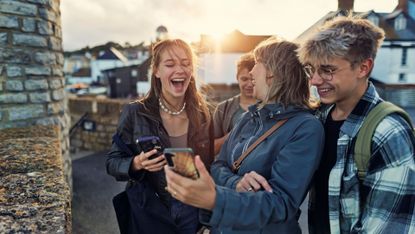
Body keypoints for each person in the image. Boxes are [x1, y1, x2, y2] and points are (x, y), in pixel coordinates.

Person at [164, 37, 325, 233]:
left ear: (273, 73)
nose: (251, 71)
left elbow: (281, 204)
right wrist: (236, 182)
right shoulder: (250, 117)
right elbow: (218, 165)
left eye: (257, 63)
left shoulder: (306, 128)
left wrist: (216, 200)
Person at [297, 16, 415, 233]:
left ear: (363, 68)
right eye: (311, 69)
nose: (314, 80)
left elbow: (386, 228)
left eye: (327, 70)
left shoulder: (388, 131)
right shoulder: (317, 119)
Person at [106, 38, 214, 234]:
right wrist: (137, 163)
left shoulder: (203, 113)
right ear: (156, 71)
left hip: (192, 209)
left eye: (186, 63)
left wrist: (207, 221)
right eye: (170, 64)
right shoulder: (134, 112)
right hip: (150, 208)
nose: (180, 70)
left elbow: (210, 166)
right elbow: (112, 162)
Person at [213, 53, 256, 155]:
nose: (249, 84)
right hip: (228, 169)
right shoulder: (222, 108)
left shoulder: (271, 107)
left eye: (253, 79)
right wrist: (232, 135)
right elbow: (211, 149)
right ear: (237, 78)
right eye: (244, 79)